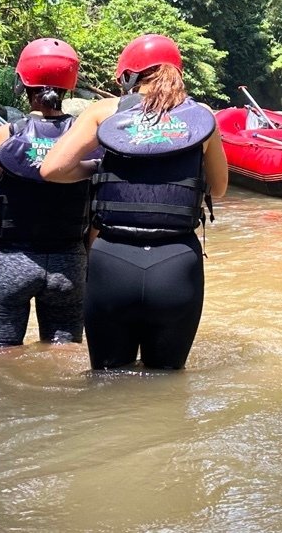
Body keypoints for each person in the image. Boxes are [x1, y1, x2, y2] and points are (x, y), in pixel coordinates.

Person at [39, 34, 228, 370]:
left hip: (112, 260)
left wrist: (98, 170)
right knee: (167, 384)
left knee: (106, 381)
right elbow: (220, 187)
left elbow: (51, 169)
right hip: (177, 264)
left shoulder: (104, 111)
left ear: (128, 77)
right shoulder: (202, 117)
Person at [0, 39, 94, 348]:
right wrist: (85, 268)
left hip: (10, 261)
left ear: (23, 83)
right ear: (70, 85)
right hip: (69, 263)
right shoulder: (87, 139)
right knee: (62, 365)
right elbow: (97, 215)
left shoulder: (1, 136)